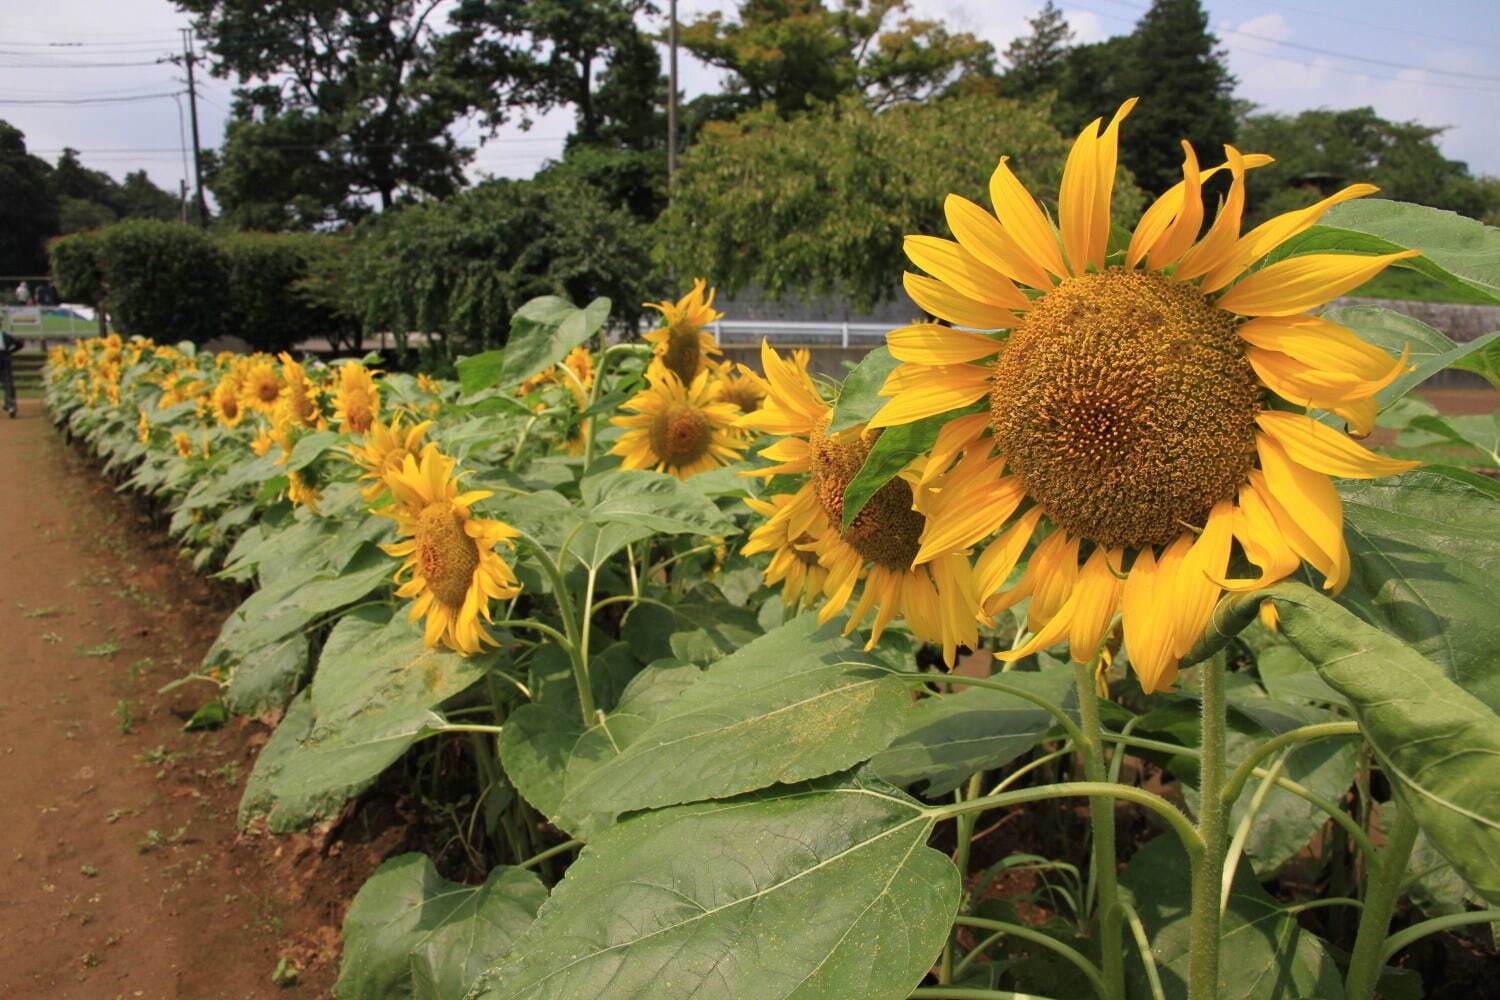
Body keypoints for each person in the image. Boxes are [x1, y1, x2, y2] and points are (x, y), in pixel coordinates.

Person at [0, 323, 19, 417]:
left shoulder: (6, 336)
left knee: (8, 384)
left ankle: (11, 406)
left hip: (4, 361)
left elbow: (19, 343)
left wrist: (10, 352)